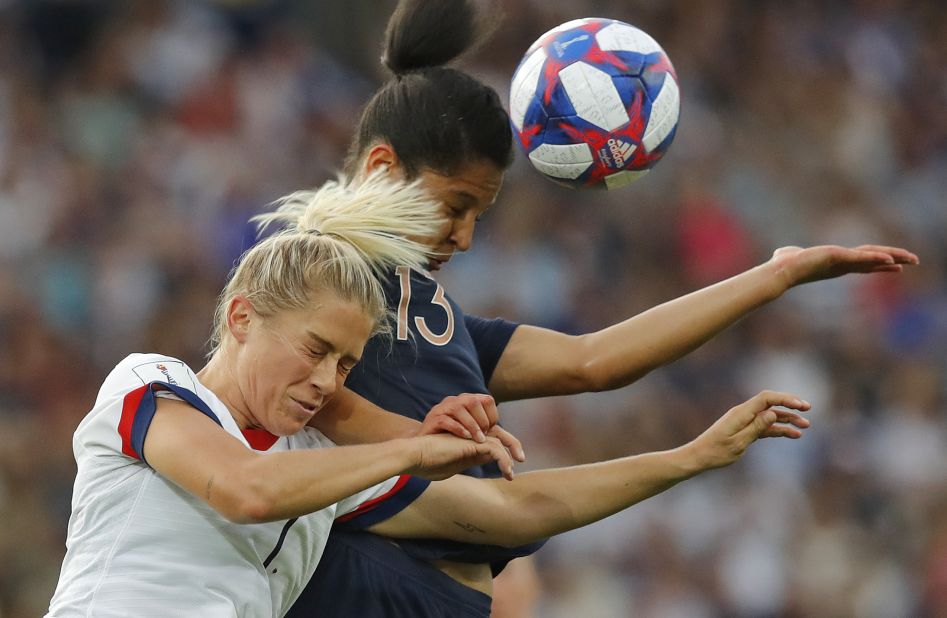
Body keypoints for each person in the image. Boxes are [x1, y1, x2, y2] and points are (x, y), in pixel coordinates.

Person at [288, 1, 920, 616]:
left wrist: (772, 277)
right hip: (363, 583)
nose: (465, 238)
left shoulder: (430, 312)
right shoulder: (313, 270)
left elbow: (594, 361)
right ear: (381, 168)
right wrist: (420, 440)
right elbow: (316, 399)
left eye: (479, 215)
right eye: (456, 206)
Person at [46, 173, 811, 617]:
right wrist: (409, 444)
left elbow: (516, 512)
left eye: (346, 364)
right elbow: (243, 489)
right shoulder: (149, 387)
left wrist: (689, 458)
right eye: (315, 350)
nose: (325, 381)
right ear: (240, 316)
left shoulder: (318, 470)